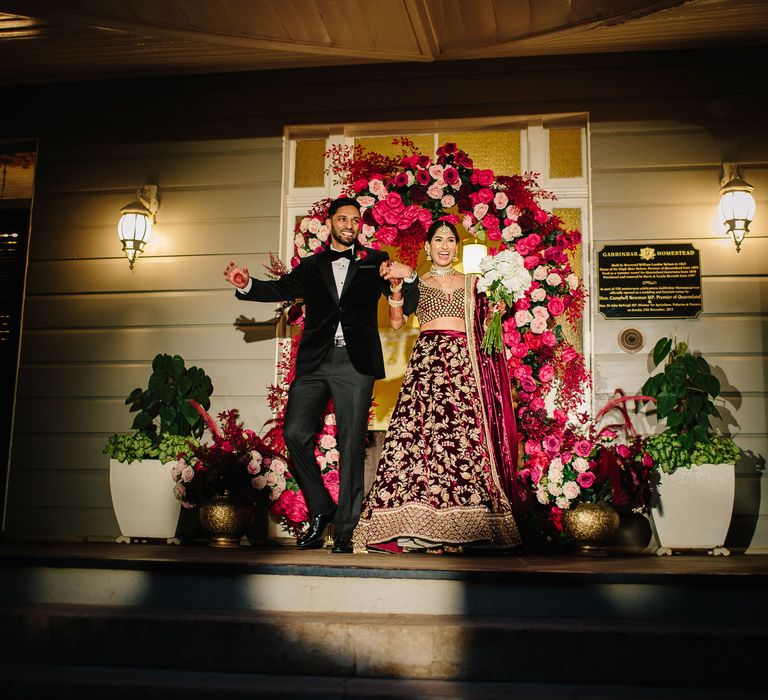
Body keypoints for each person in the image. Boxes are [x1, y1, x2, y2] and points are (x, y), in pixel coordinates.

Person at [223, 196, 418, 554]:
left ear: (360, 226)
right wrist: (247, 284)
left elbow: (407, 300)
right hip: (315, 361)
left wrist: (408, 278)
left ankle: (345, 529)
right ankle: (322, 507)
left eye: (355, 220)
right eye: (342, 218)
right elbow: (280, 288)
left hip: (355, 364)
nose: (349, 224)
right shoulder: (311, 266)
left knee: (350, 444)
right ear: (330, 224)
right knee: (294, 432)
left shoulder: (374, 262)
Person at [352, 219, 521, 554]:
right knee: (421, 443)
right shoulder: (417, 282)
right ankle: (422, 532)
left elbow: (487, 324)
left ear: (455, 248)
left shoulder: (475, 283)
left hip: (463, 368)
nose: (444, 246)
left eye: (450, 240)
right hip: (427, 367)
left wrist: (499, 307)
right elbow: (398, 323)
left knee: (464, 443)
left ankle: (465, 530)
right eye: (438, 240)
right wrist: (397, 292)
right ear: (427, 247)